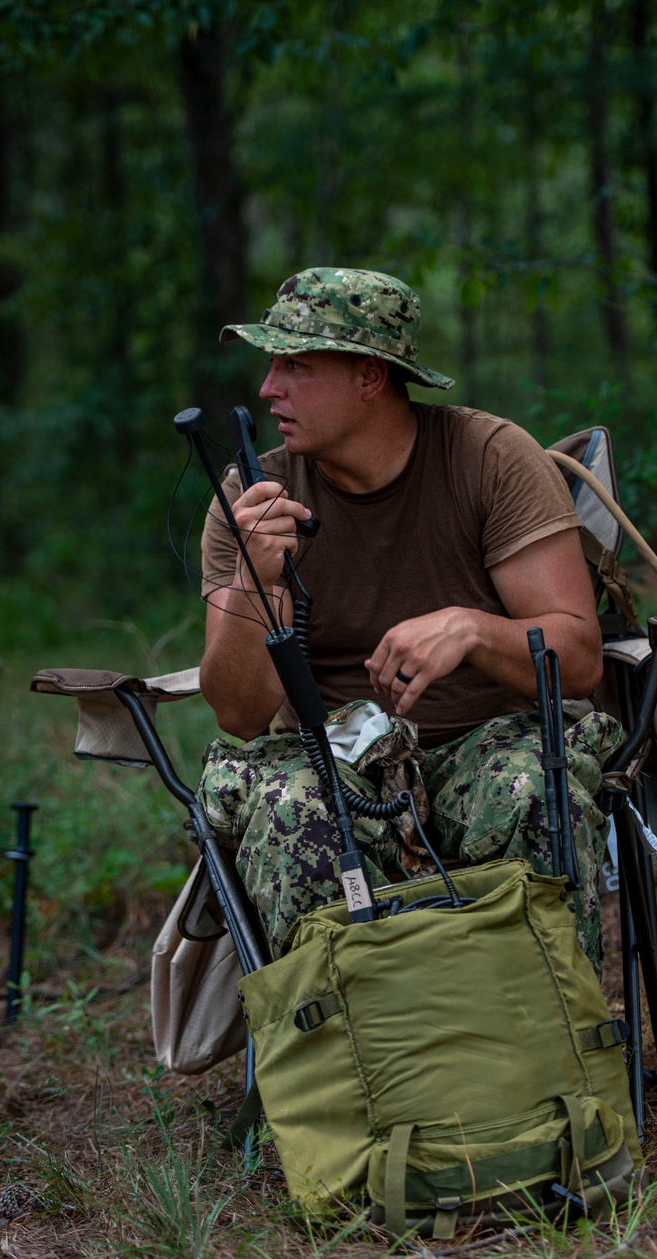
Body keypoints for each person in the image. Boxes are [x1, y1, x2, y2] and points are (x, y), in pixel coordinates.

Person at [196, 267, 621, 969]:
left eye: (295, 365)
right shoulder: (251, 500)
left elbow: (577, 660)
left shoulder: (489, 459)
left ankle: (553, 1047)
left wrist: (473, 628)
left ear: (370, 377)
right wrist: (254, 579)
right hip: (330, 759)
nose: (269, 388)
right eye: (270, 365)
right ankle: (345, 1064)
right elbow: (239, 714)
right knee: (286, 810)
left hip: (485, 742)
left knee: (535, 788)